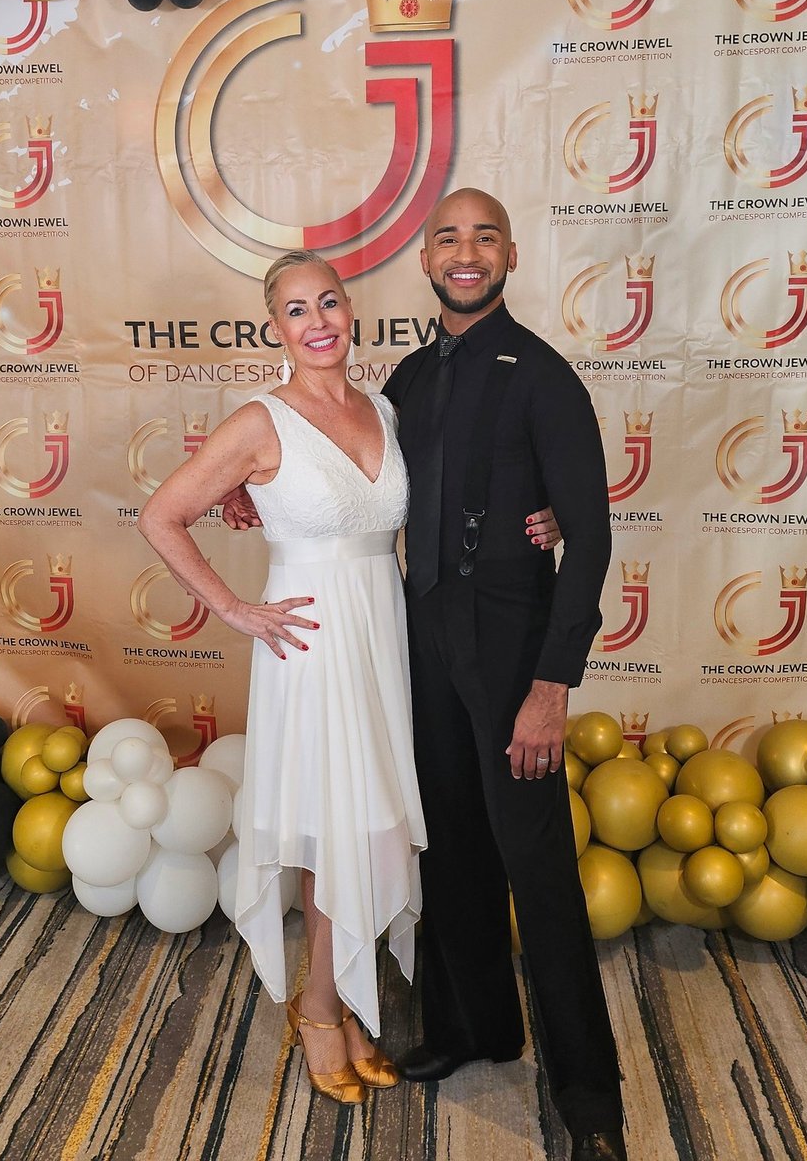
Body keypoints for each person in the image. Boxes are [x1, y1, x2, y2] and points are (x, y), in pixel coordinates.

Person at [232, 191, 626, 1158]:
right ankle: (470, 1030)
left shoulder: (545, 377)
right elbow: (344, 478)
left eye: (484, 236)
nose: (465, 252)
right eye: (448, 237)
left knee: (537, 870)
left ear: (510, 255)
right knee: (447, 847)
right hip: (412, 640)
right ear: (423, 257)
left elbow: (590, 536)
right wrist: (258, 498)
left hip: (511, 651)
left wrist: (551, 684)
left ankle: (591, 1103)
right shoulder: (399, 380)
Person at [139, 249, 560, 1108]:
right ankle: (322, 1009)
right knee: (332, 827)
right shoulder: (260, 420)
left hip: (384, 631)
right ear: (275, 328)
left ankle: (335, 997)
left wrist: (545, 511)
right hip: (311, 642)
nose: (318, 321)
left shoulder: (384, 409)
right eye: (296, 310)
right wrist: (237, 609)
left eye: (328, 302)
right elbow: (162, 515)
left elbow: (452, 497)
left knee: (368, 825)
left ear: (349, 309)